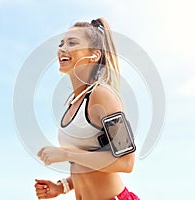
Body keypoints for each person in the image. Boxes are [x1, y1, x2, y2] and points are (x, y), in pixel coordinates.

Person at [34, 17, 140, 200]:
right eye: (62, 43)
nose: (62, 49)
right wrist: (63, 186)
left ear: (94, 55)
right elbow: (89, 164)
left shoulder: (102, 96)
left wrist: (65, 153)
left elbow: (126, 161)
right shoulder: (73, 103)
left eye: (72, 43)